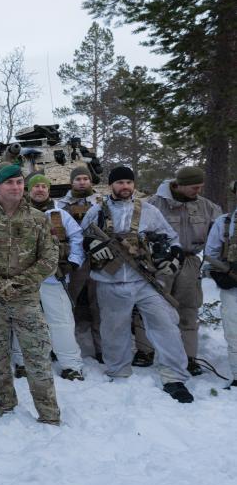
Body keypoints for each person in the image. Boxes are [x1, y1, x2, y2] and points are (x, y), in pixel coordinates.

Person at [80, 166, 193, 403]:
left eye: (129, 183)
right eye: (120, 182)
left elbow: (171, 238)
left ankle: (174, 376)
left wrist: (174, 254)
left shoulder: (149, 211)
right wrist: (91, 245)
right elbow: (82, 238)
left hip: (145, 280)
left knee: (165, 324)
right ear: (111, 185)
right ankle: (118, 371)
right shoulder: (96, 211)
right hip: (109, 281)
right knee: (113, 329)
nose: (125, 187)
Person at [0, 165, 61, 425]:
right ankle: (5, 404)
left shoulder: (38, 218)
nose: (16, 187)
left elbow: (50, 258)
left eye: (19, 182)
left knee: (37, 357)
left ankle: (49, 413)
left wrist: (18, 283)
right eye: (10, 183)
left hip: (26, 300)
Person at [140, 166, 221, 375]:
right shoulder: (152, 204)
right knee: (151, 306)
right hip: (160, 263)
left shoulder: (208, 207)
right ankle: (145, 351)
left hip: (190, 262)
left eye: (201, 187)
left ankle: (189, 356)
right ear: (179, 185)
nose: (198, 191)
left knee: (188, 309)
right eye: (195, 187)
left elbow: (218, 236)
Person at [13, 174, 86, 381]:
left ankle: (71, 365)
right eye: (36, 186)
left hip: (54, 278)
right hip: (25, 278)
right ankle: (21, 361)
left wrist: (73, 261)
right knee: (23, 320)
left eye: (44, 186)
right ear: (29, 190)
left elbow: (77, 238)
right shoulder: (18, 213)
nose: (40, 190)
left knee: (61, 322)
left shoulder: (60, 215)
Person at [55, 167, 104, 364]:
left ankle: (102, 348)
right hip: (76, 260)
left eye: (86, 178)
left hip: (101, 259)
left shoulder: (102, 203)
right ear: (72, 182)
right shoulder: (62, 205)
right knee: (67, 304)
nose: (82, 182)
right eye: (78, 179)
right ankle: (65, 347)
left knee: (99, 305)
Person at [204, 185, 237, 387]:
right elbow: (211, 254)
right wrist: (222, 275)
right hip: (233, 286)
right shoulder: (224, 222)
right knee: (233, 332)